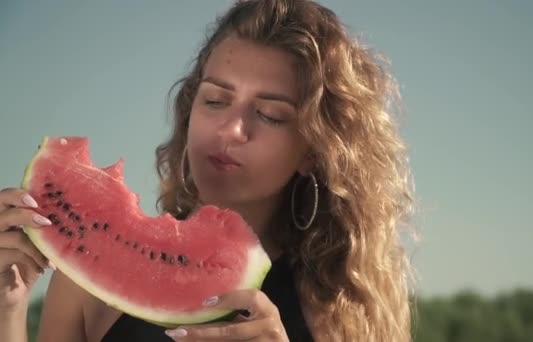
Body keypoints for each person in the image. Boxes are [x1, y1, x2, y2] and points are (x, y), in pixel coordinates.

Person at [0, 0, 416, 341]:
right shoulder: (84, 283)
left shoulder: (343, 312)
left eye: (270, 114)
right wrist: (7, 311)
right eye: (215, 101)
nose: (231, 130)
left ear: (313, 150)